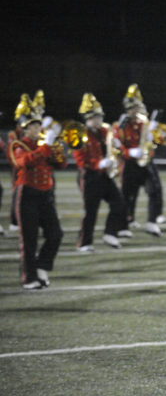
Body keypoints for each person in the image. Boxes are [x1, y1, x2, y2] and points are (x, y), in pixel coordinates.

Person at [9, 93, 65, 289]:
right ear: (25, 128)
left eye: (38, 125)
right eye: (32, 126)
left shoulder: (44, 144)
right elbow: (25, 162)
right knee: (29, 239)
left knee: (56, 234)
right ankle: (29, 278)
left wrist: (57, 149)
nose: (37, 129)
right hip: (27, 195)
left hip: (45, 195)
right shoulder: (19, 144)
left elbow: (61, 165)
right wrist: (47, 146)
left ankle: (42, 266)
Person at [72, 93, 128, 252]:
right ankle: (84, 243)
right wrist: (98, 163)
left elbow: (113, 149)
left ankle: (110, 232)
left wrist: (118, 146)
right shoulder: (79, 133)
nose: (98, 120)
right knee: (91, 210)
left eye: (99, 117)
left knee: (119, 203)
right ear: (88, 118)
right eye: (95, 117)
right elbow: (80, 159)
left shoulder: (105, 131)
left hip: (104, 175)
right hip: (89, 176)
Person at [115, 83, 164, 236]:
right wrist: (130, 152)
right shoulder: (120, 126)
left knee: (155, 191)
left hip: (146, 162)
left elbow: (160, 140)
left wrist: (154, 136)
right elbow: (116, 147)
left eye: (137, 107)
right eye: (132, 108)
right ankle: (123, 225)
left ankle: (151, 222)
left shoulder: (146, 124)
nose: (135, 111)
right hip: (129, 164)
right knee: (127, 194)